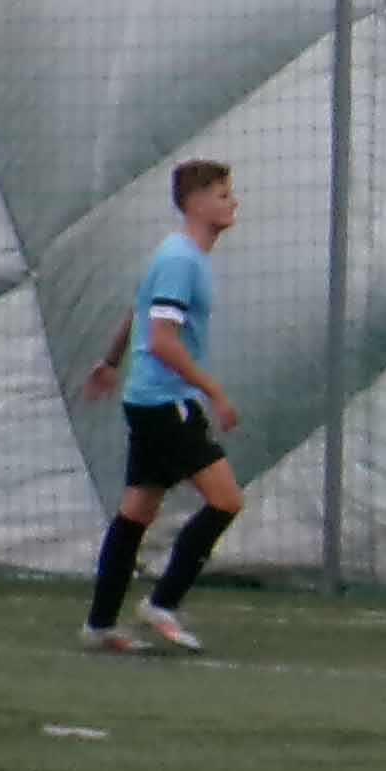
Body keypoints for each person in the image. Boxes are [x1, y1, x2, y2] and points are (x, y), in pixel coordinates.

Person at [77, 159, 247, 655]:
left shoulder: (178, 255)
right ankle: (162, 603)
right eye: (222, 194)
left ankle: (100, 625)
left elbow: (139, 311)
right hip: (165, 402)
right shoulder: (181, 260)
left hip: (147, 400)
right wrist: (215, 392)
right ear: (195, 203)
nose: (233, 202)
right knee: (225, 501)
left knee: (136, 511)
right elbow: (163, 340)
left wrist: (111, 361)